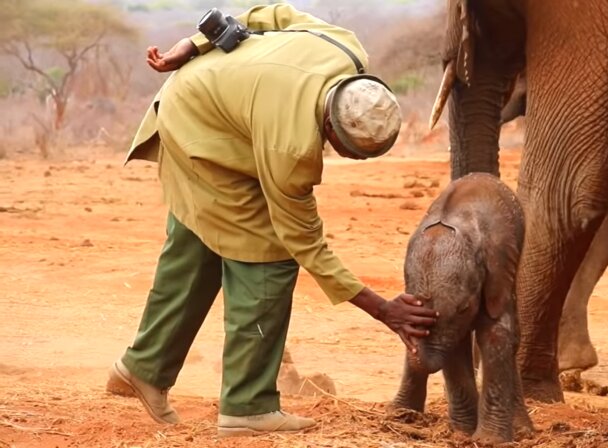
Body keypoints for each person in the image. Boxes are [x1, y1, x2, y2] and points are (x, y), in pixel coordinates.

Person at [106, 3, 437, 438]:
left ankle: (143, 367)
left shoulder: (345, 49)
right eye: (346, 149)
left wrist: (193, 43)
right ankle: (248, 406)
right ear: (331, 126)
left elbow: (271, 11)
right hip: (199, 134)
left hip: (195, 95)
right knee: (268, 257)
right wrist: (382, 310)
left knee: (202, 238)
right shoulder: (292, 150)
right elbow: (305, 244)